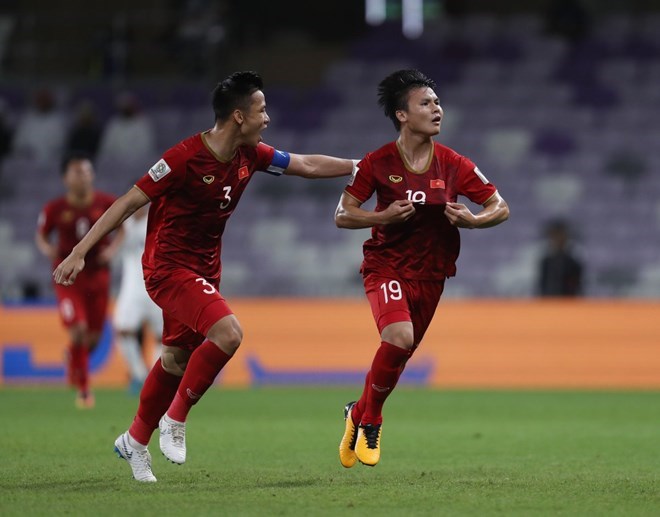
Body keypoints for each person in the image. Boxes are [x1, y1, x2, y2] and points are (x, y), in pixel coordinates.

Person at [53, 71, 356, 483]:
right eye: (261, 110)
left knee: (176, 358)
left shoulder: (252, 155)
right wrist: (79, 251)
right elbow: (127, 202)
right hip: (167, 267)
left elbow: (303, 164)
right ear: (237, 116)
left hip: (205, 269)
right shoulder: (182, 158)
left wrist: (355, 166)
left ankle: (135, 440)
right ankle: (174, 420)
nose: (267, 118)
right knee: (229, 333)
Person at [335, 69, 509, 468]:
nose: (437, 109)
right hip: (386, 267)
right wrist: (382, 218)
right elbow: (343, 215)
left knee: (400, 355)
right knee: (398, 337)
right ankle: (373, 421)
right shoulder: (376, 163)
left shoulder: (454, 164)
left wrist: (475, 221)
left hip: (432, 275)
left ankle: (356, 412)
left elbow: (501, 206)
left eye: (437, 102)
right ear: (402, 114)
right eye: (426, 103)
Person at [35, 152, 123, 408]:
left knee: (92, 340)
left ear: (92, 175)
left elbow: (123, 229)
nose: (82, 177)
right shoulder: (54, 209)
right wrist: (47, 249)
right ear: (65, 178)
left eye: (86, 172)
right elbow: (41, 235)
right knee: (79, 331)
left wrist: (112, 250)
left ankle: (73, 357)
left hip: (98, 275)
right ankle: (84, 391)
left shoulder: (106, 202)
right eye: (77, 172)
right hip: (68, 278)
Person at [113, 204, 163, 395]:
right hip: (132, 288)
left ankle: (155, 379)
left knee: (163, 337)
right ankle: (138, 375)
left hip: (158, 287)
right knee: (124, 330)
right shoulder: (124, 226)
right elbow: (114, 252)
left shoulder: (158, 223)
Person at [538, 219, 583, 296]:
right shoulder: (546, 262)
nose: (557, 240)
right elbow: (542, 286)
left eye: (560, 236)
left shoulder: (573, 263)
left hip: (568, 304)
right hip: (548, 303)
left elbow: (576, 288)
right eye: (554, 237)